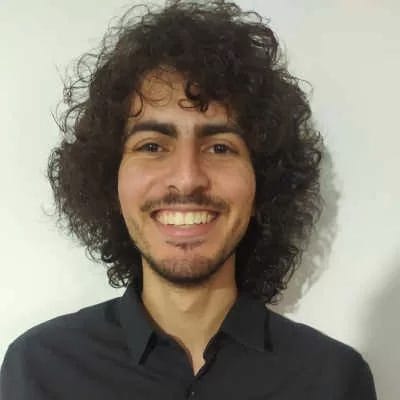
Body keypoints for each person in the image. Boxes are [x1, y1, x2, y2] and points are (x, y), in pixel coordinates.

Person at [1, 1, 377, 399]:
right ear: (111, 179)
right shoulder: (39, 369)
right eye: (151, 146)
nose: (187, 178)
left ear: (263, 182)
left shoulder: (333, 379)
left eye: (220, 148)